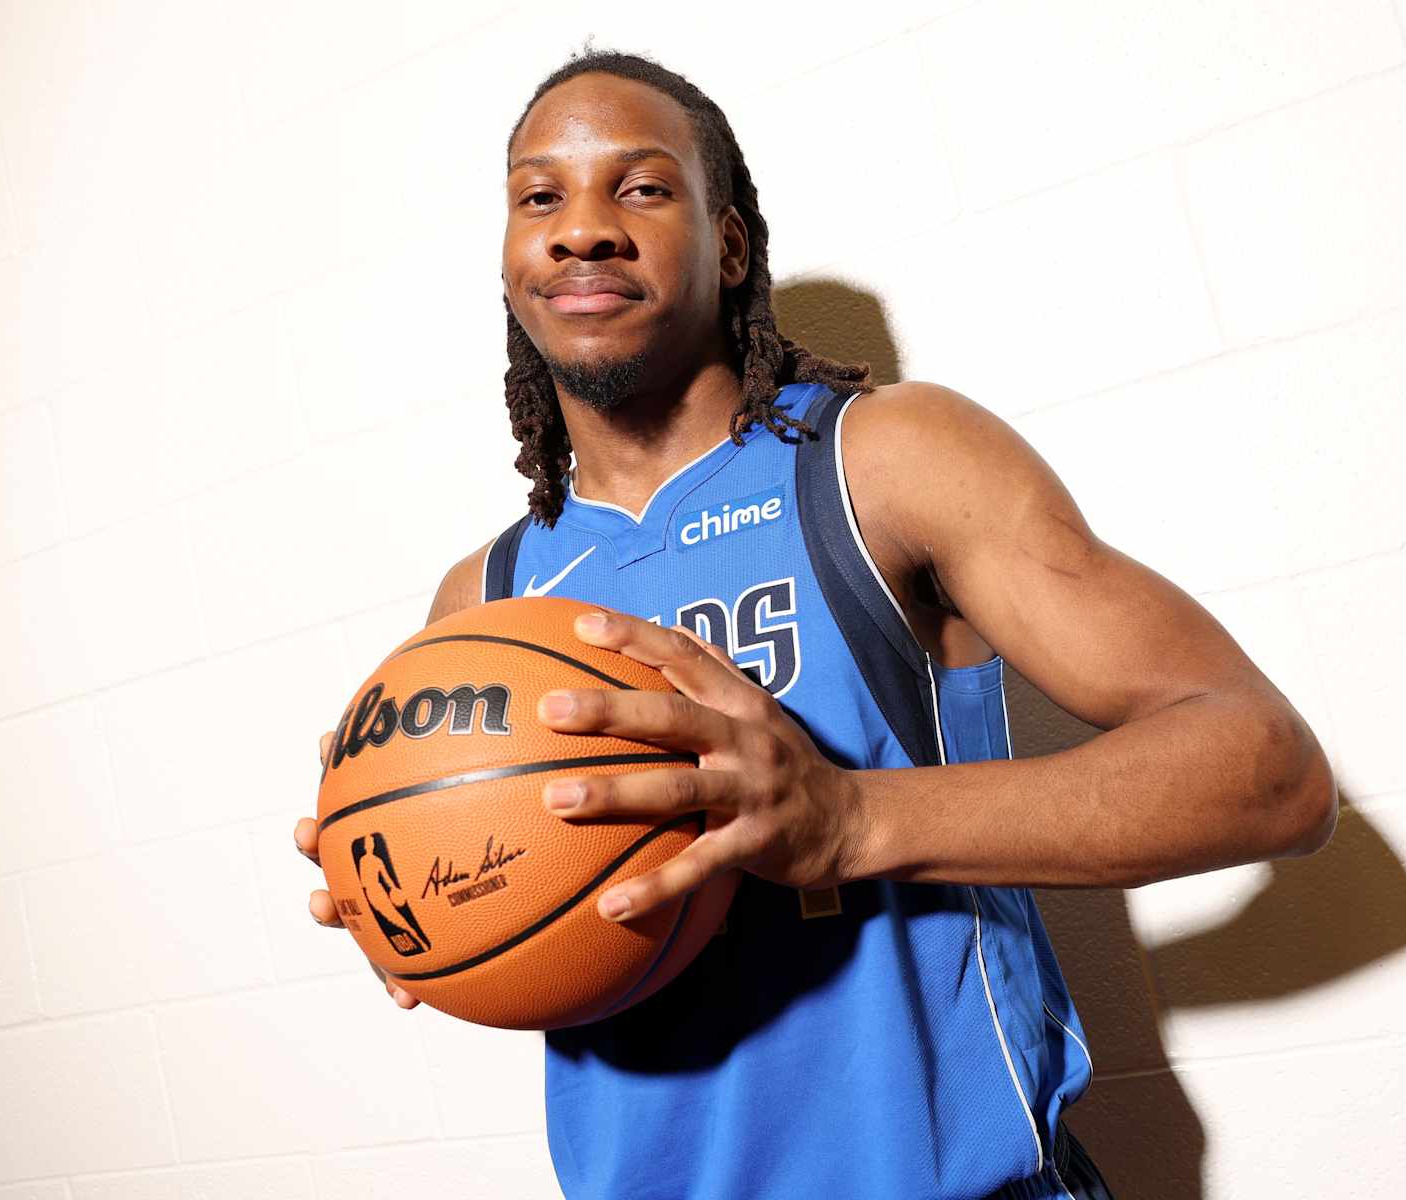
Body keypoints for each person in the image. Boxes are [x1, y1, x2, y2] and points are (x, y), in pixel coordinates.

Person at [293, 48, 1337, 1200]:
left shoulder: (880, 463)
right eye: (540, 196)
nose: (581, 228)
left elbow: (1267, 768)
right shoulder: (484, 602)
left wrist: (849, 816)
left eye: (639, 188)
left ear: (730, 241)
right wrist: (414, 892)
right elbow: (534, 922)